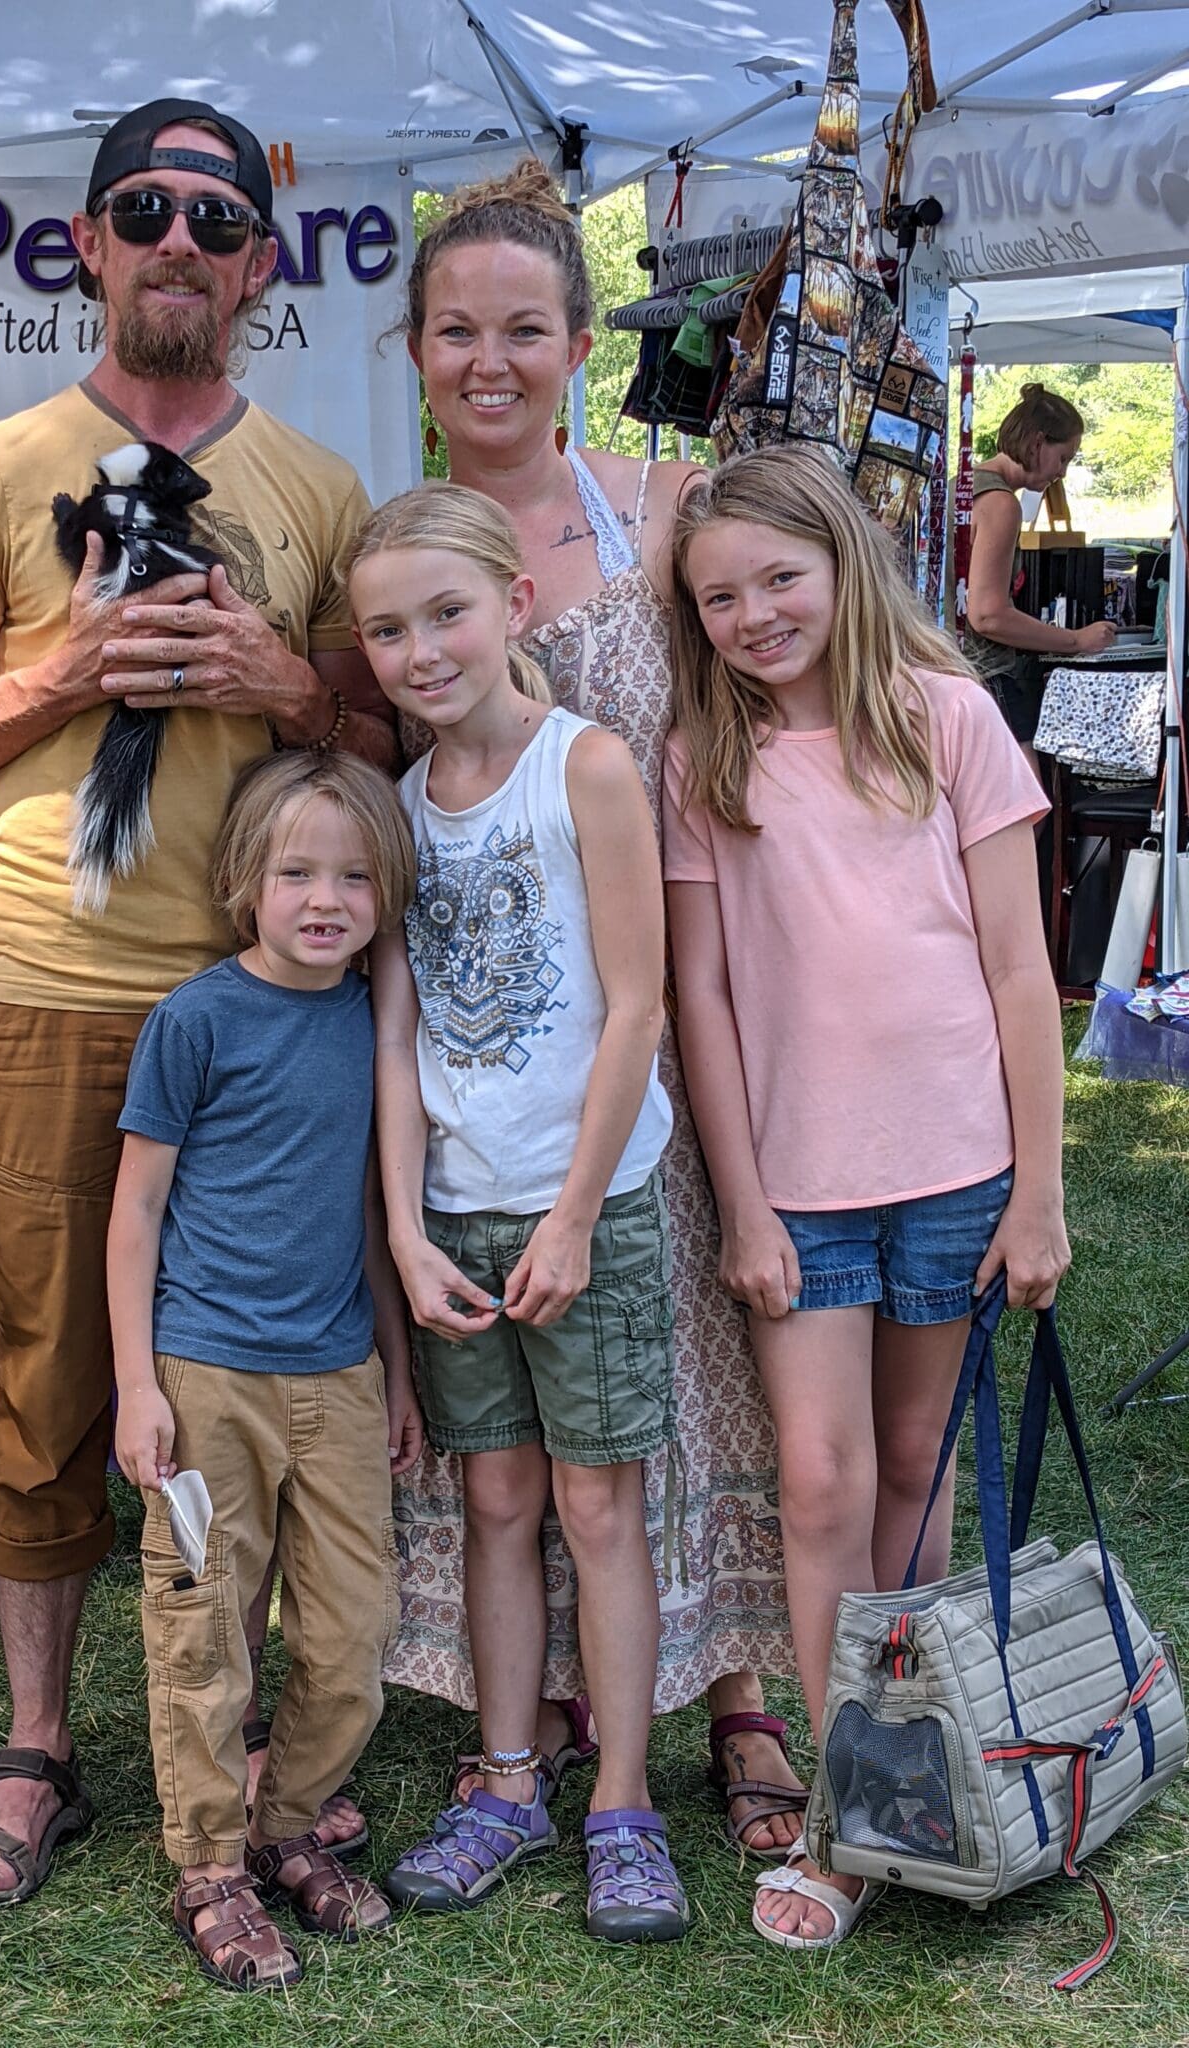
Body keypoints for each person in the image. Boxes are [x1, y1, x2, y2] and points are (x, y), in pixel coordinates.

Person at [0, 97, 394, 1902]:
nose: (179, 236)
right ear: (89, 243)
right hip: (54, 987)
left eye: (214, 215)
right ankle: (40, 1743)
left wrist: (285, 685)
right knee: (55, 1364)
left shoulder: (318, 491)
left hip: (269, 1006)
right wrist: (56, 670)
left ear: (258, 262)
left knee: (253, 1365)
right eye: (142, 208)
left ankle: (234, 1725)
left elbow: (389, 740)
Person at [386, 158, 802, 1860]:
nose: (492, 361)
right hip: (507, 1032)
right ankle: (534, 1703)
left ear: (575, 342)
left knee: (697, 1346)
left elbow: (799, 652)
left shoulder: (663, 501)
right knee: (531, 1412)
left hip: (681, 979)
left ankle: (737, 1680)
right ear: (416, 348)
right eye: (457, 332)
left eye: (526, 330)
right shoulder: (403, 560)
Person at [662, 446, 1068, 1952]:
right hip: (801, 1191)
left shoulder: (946, 719)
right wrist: (747, 1201)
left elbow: (1024, 975)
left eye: (782, 579)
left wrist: (1041, 1191)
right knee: (822, 1483)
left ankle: (911, 1765)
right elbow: (700, 997)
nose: (758, 614)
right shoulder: (704, 761)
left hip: (960, 1170)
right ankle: (840, 1813)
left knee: (917, 1464)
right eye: (721, 598)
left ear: (843, 563)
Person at [354, 482, 689, 1943]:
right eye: (386, 630)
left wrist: (567, 1218)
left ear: (515, 609)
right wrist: (409, 1232)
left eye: (445, 613)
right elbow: (393, 1034)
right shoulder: (398, 812)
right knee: (492, 1499)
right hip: (457, 1214)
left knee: (595, 1505)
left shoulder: (587, 767)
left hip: (585, 1209)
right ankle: (504, 1782)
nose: (420, 650)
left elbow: (638, 1007)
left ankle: (621, 1796)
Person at [108, 749, 420, 1991]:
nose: (324, 897)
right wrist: (137, 1384)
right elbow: (135, 1212)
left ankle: (288, 1821)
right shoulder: (196, 1019)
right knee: (202, 1628)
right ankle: (210, 1864)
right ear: (246, 878)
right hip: (205, 1373)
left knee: (354, 1630)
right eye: (296, 870)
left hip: (337, 1370)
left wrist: (395, 1369)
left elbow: (367, 1209)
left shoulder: (371, 1021)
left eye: (353, 876)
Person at [965, 382, 1117, 762]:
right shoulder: (1000, 504)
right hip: (984, 675)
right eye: (1063, 458)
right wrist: (1075, 640)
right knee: (1029, 813)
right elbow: (987, 614)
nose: (1062, 474)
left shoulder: (961, 486)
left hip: (944, 669)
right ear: (1036, 443)